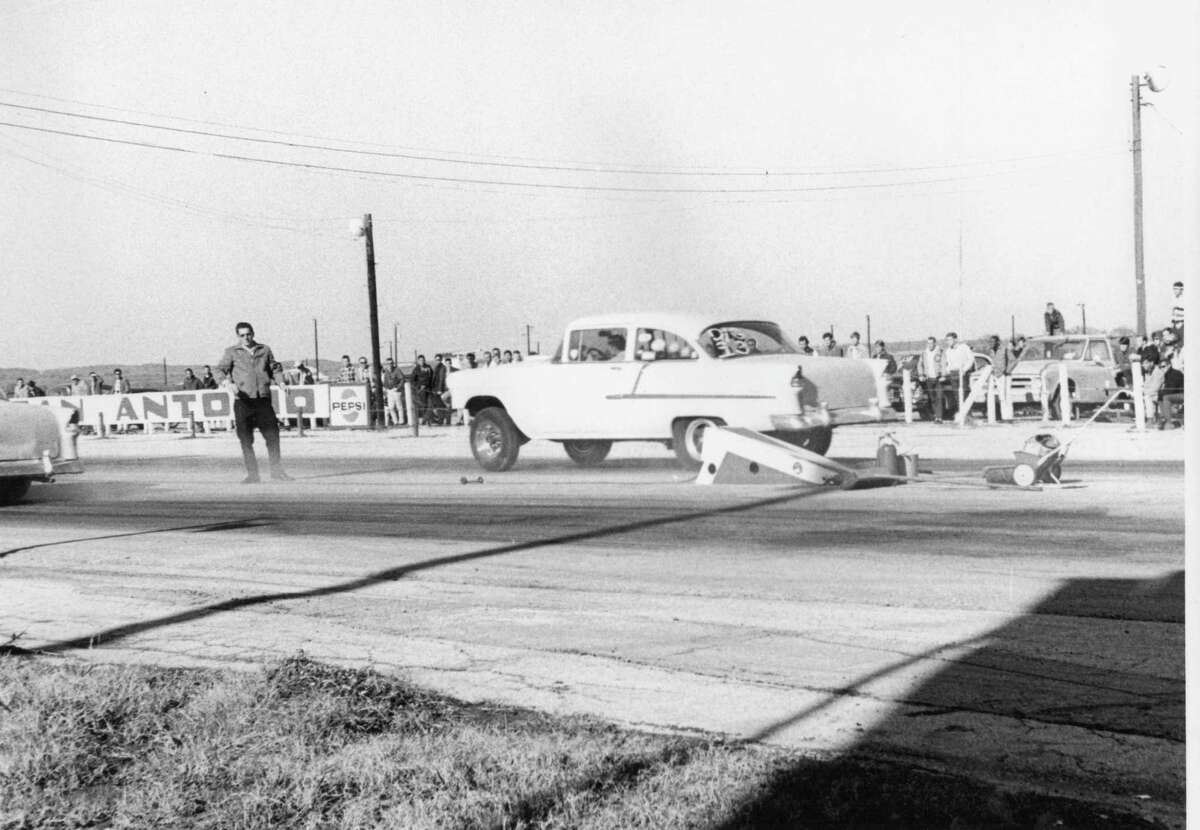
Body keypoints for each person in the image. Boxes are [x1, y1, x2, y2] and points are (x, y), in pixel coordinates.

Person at [216, 321, 290, 484]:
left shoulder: (264, 349)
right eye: (242, 335)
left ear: (253, 333)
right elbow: (219, 370)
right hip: (243, 402)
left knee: (272, 436)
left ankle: (277, 471)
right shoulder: (232, 352)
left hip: (263, 400)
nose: (246, 338)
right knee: (246, 439)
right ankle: (252, 474)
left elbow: (275, 368)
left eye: (248, 334)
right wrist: (228, 384)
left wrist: (281, 383)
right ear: (238, 336)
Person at [916, 336, 946, 422]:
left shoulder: (940, 352)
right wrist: (921, 374)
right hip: (929, 378)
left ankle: (939, 417)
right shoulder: (924, 353)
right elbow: (920, 365)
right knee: (932, 398)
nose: (930, 345)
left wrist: (943, 375)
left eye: (931, 343)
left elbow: (944, 364)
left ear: (935, 343)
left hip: (938, 378)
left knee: (939, 398)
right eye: (928, 343)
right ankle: (936, 416)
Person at [943, 332, 974, 411]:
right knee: (957, 395)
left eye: (950, 340)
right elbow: (948, 364)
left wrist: (964, 369)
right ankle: (961, 413)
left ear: (955, 339)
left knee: (964, 394)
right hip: (953, 374)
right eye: (947, 340)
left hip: (963, 373)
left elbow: (971, 359)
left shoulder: (964, 347)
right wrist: (947, 371)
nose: (948, 342)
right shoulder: (948, 351)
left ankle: (968, 414)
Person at [381, 357, 407, 427]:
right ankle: (395, 421)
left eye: (391, 363)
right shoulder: (386, 371)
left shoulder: (397, 370)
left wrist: (398, 388)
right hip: (389, 391)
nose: (390, 365)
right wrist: (386, 388)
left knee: (399, 406)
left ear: (393, 363)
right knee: (391, 407)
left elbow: (402, 379)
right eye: (388, 363)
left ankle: (401, 421)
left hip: (396, 390)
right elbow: (385, 381)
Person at [411, 354, 435, 425]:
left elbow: (432, 377)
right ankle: (425, 421)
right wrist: (419, 387)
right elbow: (412, 380)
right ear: (418, 361)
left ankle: (428, 419)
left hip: (429, 388)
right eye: (420, 360)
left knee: (430, 404)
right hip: (422, 390)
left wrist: (432, 386)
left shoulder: (428, 367)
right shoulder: (416, 369)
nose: (422, 361)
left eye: (423, 360)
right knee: (424, 405)